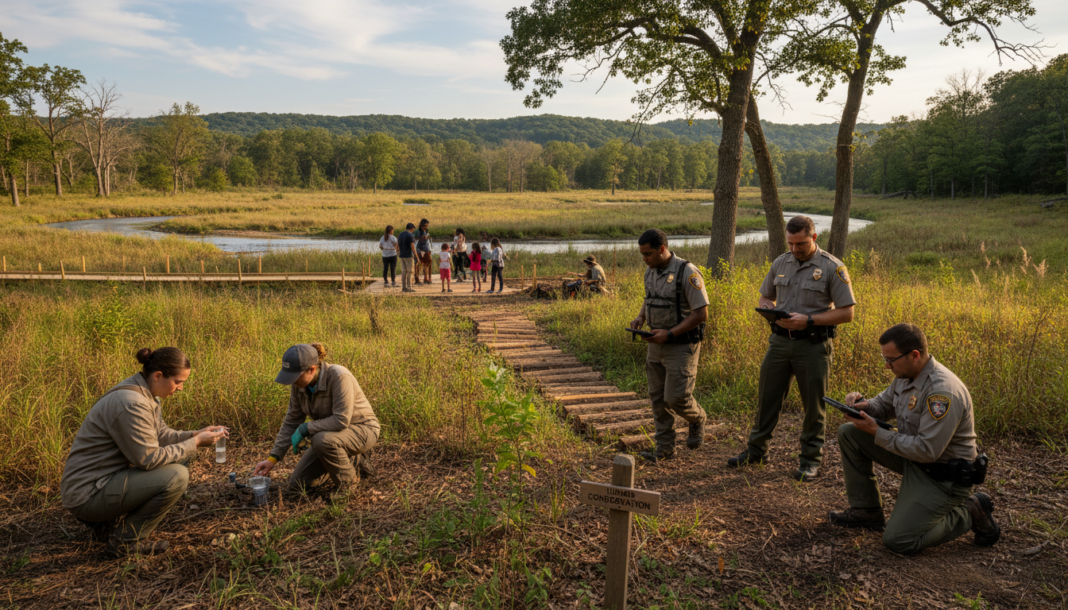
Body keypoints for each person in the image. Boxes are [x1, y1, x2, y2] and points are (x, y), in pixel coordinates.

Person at [828, 323, 1000, 554]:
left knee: (899, 540)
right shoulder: (906, 373)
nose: (887, 366)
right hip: (916, 461)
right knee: (850, 433)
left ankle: (971, 510)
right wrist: (864, 405)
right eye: (884, 359)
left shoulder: (941, 392)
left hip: (942, 476)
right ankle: (866, 511)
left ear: (914, 355)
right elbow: (884, 403)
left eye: (890, 360)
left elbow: (927, 450)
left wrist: (876, 432)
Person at [60, 347, 228, 557]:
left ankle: (105, 524)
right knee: (177, 475)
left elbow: (161, 435)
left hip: (98, 483)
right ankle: (124, 542)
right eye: (178, 381)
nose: (181, 388)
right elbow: (148, 459)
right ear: (158, 376)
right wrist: (194, 442)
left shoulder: (144, 392)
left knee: (183, 456)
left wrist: (195, 434)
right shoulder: (133, 403)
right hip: (88, 494)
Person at [728, 215, 855, 481]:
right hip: (779, 342)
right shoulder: (781, 262)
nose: (795, 249)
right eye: (791, 243)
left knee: (813, 406)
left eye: (801, 244)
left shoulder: (833, 267)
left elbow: (846, 313)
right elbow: (766, 295)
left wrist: (808, 319)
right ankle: (756, 450)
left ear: (814, 238)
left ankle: (810, 460)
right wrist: (767, 308)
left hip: (813, 345)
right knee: (767, 398)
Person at [253, 343, 380, 494]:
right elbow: (292, 420)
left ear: (312, 369)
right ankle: (348, 462)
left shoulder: (339, 376)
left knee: (321, 440)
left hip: (362, 429)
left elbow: (341, 420)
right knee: (298, 484)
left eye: (295, 376)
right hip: (331, 435)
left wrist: (306, 428)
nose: (292, 381)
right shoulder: (299, 384)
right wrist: (272, 459)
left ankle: (348, 487)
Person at [628, 229, 710, 463]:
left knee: (677, 398)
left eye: (648, 254)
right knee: (657, 398)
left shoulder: (687, 272)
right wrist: (640, 317)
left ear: (662, 249)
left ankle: (697, 418)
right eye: (642, 254)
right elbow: (649, 297)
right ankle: (664, 449)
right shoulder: (650, 270)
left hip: (681, 346)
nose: (644, 258)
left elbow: (701, 313)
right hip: (655, 344)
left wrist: (670, 334)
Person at [397, 222, 417, 292]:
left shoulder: (400, 234)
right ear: (412, 228)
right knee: (409, 271)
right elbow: (412, 246)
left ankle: (404, 287)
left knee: (403, 272)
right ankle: (409, 287)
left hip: (401, 255)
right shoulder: (410, 235)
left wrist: (398, 251)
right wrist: (416, 256)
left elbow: (398, 245)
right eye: (413, 229)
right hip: (408, 255)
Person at [415, 219, 433, 285]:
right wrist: (427, 235)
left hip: (427, 248)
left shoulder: (426, 230)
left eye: (427, 225)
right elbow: (424, 238)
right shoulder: (419, 231)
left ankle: (427, 278)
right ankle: (417, 278)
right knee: (419, 263)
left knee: (428, 263)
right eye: (425, 225)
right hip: (420, 248)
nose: (426, 227)